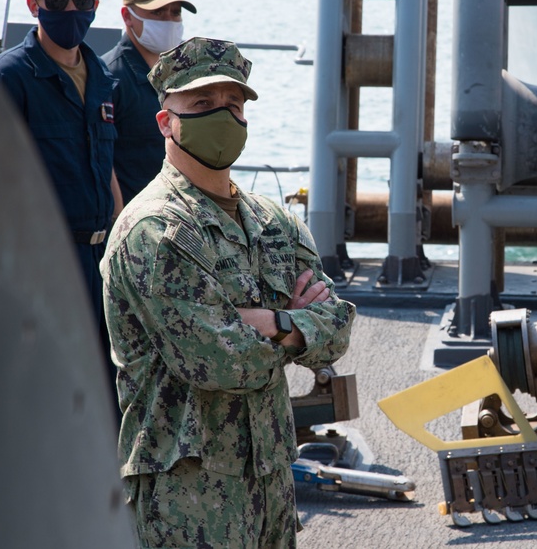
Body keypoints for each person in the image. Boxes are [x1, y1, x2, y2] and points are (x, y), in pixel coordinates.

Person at [100, 36, 355, 548]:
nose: (223, 116)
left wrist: (270, 323)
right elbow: (217, 362)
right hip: (187, 493)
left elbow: (339, 327)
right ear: (165, 122)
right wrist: (294, 329)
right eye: (201, 105)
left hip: (271, 480)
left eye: (233, 105)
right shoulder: (156, 230)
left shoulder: (273, 220)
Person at [0, 0, 120, 385]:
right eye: (55, 1)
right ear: (33, 6)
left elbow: (106, 163)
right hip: (46, 263)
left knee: (106, 383)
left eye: (81, 2)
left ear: (95, 8)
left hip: (101, 259)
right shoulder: (11, 78)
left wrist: (121, 237)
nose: (70, 11)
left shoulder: (100, 75)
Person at [103, 0, 197, 204]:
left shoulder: (187, 75)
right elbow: (100, 160)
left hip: (182, 217)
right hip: (136, 223)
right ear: (127, 16)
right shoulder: (108, 78)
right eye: (157, 12)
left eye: (175, 13)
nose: (169, 20)